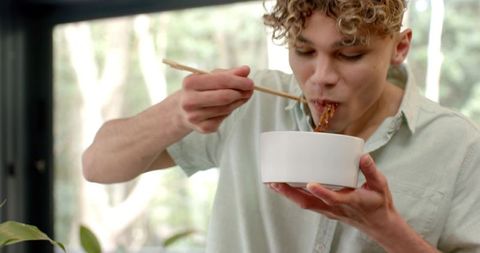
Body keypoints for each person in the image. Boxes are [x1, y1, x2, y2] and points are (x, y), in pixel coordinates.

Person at [82, 0, 480, 252]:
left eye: (351, 54)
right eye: (304, 51)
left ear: (400, 47)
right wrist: (176, 114)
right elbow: (97, 164)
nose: (320, 76)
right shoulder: (249, 102)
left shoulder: (455, 143)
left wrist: (386, 229)